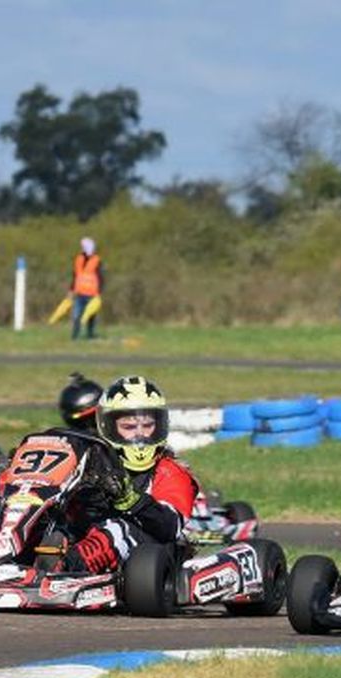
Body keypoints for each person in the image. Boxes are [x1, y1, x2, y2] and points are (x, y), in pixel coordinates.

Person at [60, 376, 199, 573]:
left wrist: (132, 500)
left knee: (119, 530)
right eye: (129, 427)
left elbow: (170, 526)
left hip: (149, 555)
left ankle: (68, 567)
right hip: (86, 536)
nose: (140, 434)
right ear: (108, 426)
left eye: (148, 425)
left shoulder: (169, 470)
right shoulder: (91, 461)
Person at [69, 237, 104, 340]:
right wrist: (71, 290)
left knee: (90, 316)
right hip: (79, 293)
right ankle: (74, 337)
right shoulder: (78, 259)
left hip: (92, 294)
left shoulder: (97, 260)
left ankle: (90, 334)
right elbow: (75, 275)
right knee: (76, 315)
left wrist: (99, 292)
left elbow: (101, 277)